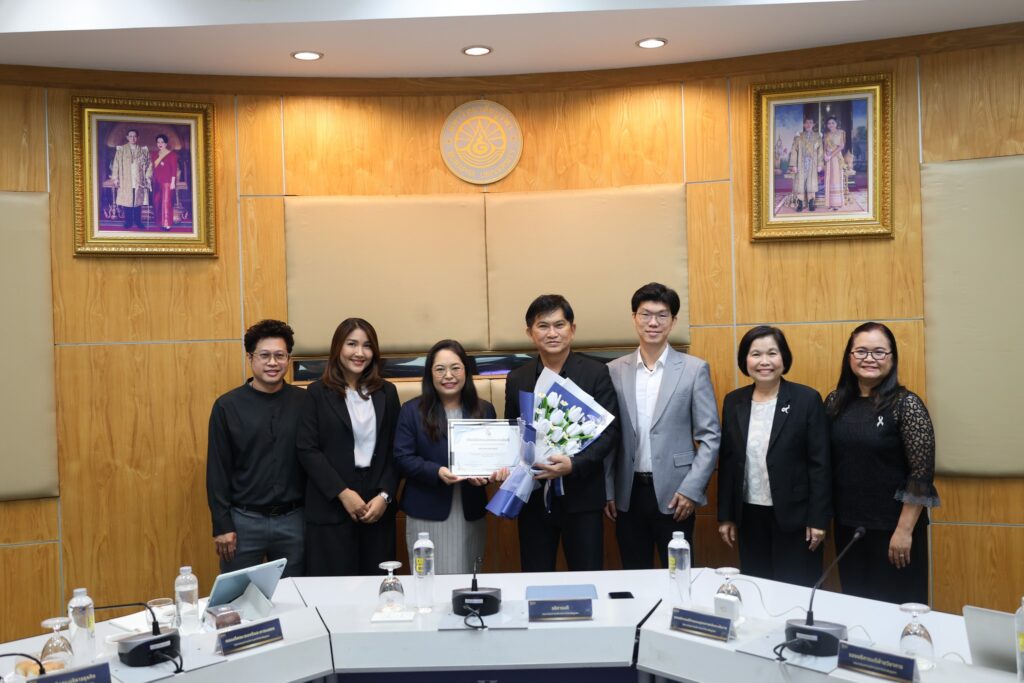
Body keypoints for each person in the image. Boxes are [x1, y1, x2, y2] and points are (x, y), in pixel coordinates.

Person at [605, 283, 720, 569]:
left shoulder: (694, 369)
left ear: (673, 321)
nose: (653, 322)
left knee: (678, 574)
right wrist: (608, 490)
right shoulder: (613, 371)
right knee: (634, 573)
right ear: (634, 318)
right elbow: (608, 436)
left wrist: (692, 489)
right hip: (628, 492)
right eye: (645, 314)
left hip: (677, 492)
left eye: (662, 315)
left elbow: (710, 437)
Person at [503, 294, 620, 572]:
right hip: (532, 496)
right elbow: (512, 430)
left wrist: (574, 464)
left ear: (572, 329)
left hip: (582, 497)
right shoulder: (518, 378)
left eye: (559, 325)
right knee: (534, 575)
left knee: (587, 575)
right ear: (530, 333)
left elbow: (610, 432)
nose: (552, 333)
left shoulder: (596, 373)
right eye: (543, 326)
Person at [826, 322, 940, 604]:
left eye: (879, 352)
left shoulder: (906, 404)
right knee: (857, 607)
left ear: (892, 358)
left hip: (893, 532)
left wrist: (904, 531)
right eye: (861, 351)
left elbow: (921, 475)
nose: (869, 358)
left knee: (896, 610)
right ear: (849, 357)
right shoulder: (835, 402)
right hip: (849, 528)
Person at [716, 326, 830, 587]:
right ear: (745, 360)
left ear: (784, 358)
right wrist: (726, 515)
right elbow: (728, 461)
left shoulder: (806, 399)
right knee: (758, 587)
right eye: (756, 354)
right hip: (749, 516)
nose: (764, 361)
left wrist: (818, 519)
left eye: (772, 353)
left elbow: (820, 464)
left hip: (796, 518)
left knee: (795, 589)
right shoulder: (734, 402)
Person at [298, 318, 401, 576]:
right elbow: (307, 449)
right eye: (352, 344)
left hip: (376, 505)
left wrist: (385, 496)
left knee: (377, 586)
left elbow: (396, 449)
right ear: (338, 348)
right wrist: (343, 493)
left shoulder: (387, 392)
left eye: (367, 346)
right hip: (331, 504)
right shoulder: (316, 392)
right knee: (332, 588)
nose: (359, 352)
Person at [206, 319, 308, 577]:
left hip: (294, 520)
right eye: (264, 355)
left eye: (279, 355)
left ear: (288, 358)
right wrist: (222, 525)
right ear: (250, 357)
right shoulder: (227, 406)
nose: (272, 362)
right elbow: (217, 470)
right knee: (239, 597)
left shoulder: (305, 402)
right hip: (243, 522)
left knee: (293, 594)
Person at [394, 339, 495, 574]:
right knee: (428, 578)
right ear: (430, 374)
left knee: (468, 579)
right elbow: (401, 458)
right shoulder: (412, 410)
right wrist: (436, 471)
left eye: (455, 368)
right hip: (426, 513)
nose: (448, 375)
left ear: (466, 370)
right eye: (440, 369)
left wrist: (486, 476)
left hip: (469, 511)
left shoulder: (484, 409)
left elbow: (489, 456)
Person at [109, 128, 151, 229]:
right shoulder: (121, 150)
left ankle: (138, 221)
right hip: (125, 179)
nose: (133, 138)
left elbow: (149, 164)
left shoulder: (143, 150)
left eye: (135, 136)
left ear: (138, 138)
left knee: (138, 201)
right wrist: (115, 178)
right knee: (127, 201)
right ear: (127, 137)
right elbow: (116, 164)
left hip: (139, 180)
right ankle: (128, 221)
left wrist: (148, 176)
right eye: (130, 136)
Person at [787, 117, 823, 212]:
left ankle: (811, 203)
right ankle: (800, 203)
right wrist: (794, 165)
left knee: (811, 183)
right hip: (800, 163)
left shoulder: (817, 137)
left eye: (810, 122)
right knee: (800, 183)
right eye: (806, 123)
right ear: (804, 124)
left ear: (813, 124)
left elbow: (820, 151)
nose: (808, 125)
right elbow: (794, 151)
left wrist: (820, 164)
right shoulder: (799, 136)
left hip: (812, 163)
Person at [150, 134, 178, 230]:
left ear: (166, 143)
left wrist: (173, 182)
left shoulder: (171, 155)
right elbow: (152, 168)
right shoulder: (154, 154)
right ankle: (160, 222)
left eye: (162, 142)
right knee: (157, 202)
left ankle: (167, 224)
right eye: (158, 142)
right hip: (156, 182)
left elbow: (174, 169)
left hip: (167, 182)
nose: (160, 144)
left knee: (166, 203)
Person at [822, 116, 847, 211]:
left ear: (836, 124)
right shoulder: (826, 134)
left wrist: (830, 155)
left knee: (836, 179)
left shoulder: (841, 133)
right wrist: (825, 155)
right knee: (829, 179)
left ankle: (837, 203)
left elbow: (841, 147)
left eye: (833, 123)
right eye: (829, 123)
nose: (831, 125)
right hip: (828, 159)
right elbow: (825, 146)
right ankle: (830, 203)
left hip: (836, 158)